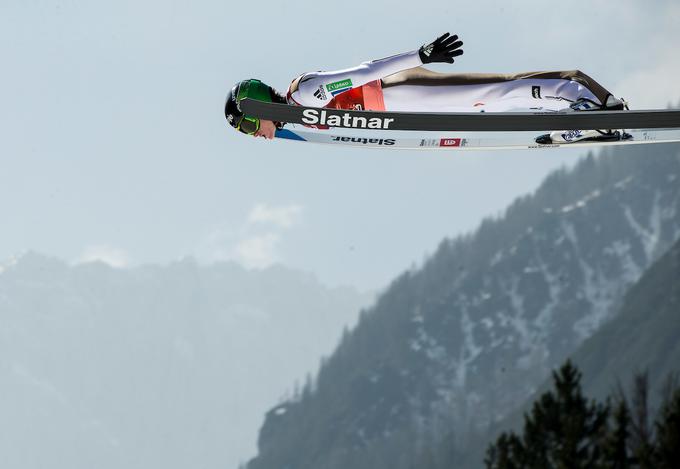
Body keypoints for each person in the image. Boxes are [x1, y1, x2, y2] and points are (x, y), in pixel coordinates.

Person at [225, 33, 627, 144]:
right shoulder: (300, 122)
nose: (253, 136)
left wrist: (420, 54)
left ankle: (582, 99)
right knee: (493, 103)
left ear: (257, 108)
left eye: (246, 127)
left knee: (496, 93)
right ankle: (592, 105)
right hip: (397, 108)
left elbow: (365, 72)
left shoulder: (304, 95)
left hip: (399, 92)